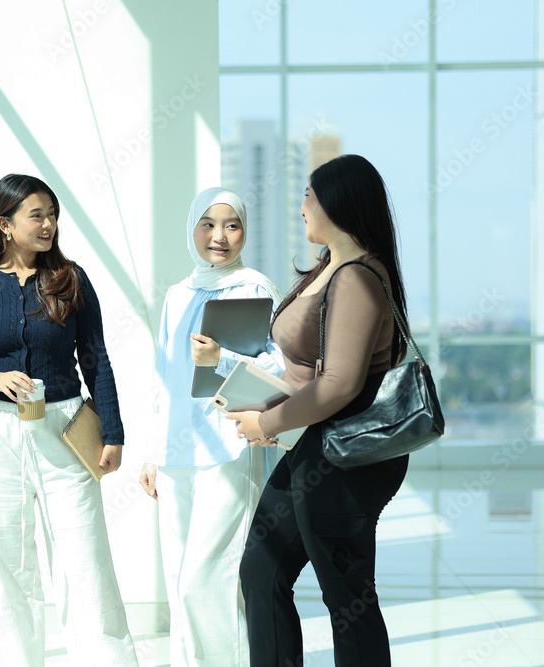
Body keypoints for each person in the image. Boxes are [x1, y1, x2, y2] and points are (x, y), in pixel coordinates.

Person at [0, 174, 138, 666]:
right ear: (5, 224)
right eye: (36, 215)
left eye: (52, 215)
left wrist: (113, 431)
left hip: (64, 430)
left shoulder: (71, 279)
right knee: (4, 566)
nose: (48, 225)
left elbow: (96, 358)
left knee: (85, 561)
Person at [228, 155, 411, 666]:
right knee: (261, 570)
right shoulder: (330, 268)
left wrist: (267, 421)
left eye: (308, 195)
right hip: (313, 447)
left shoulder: (357, 277)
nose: (301, 206)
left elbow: (338, 384)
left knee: (347, 597)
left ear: (337, 202)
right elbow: (310, 370)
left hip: (345, 457)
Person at [138, 187, 285, 666]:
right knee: (180, 581)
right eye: (208, 224)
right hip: (176, 453)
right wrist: (152, 450)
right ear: (192, 229)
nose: (219, 236)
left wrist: (221, 358)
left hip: (230, 448)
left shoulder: (255, 288)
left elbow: (279, 369)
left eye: (231, 225)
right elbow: (163, 379)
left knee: (210, 581)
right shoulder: (177, 294)